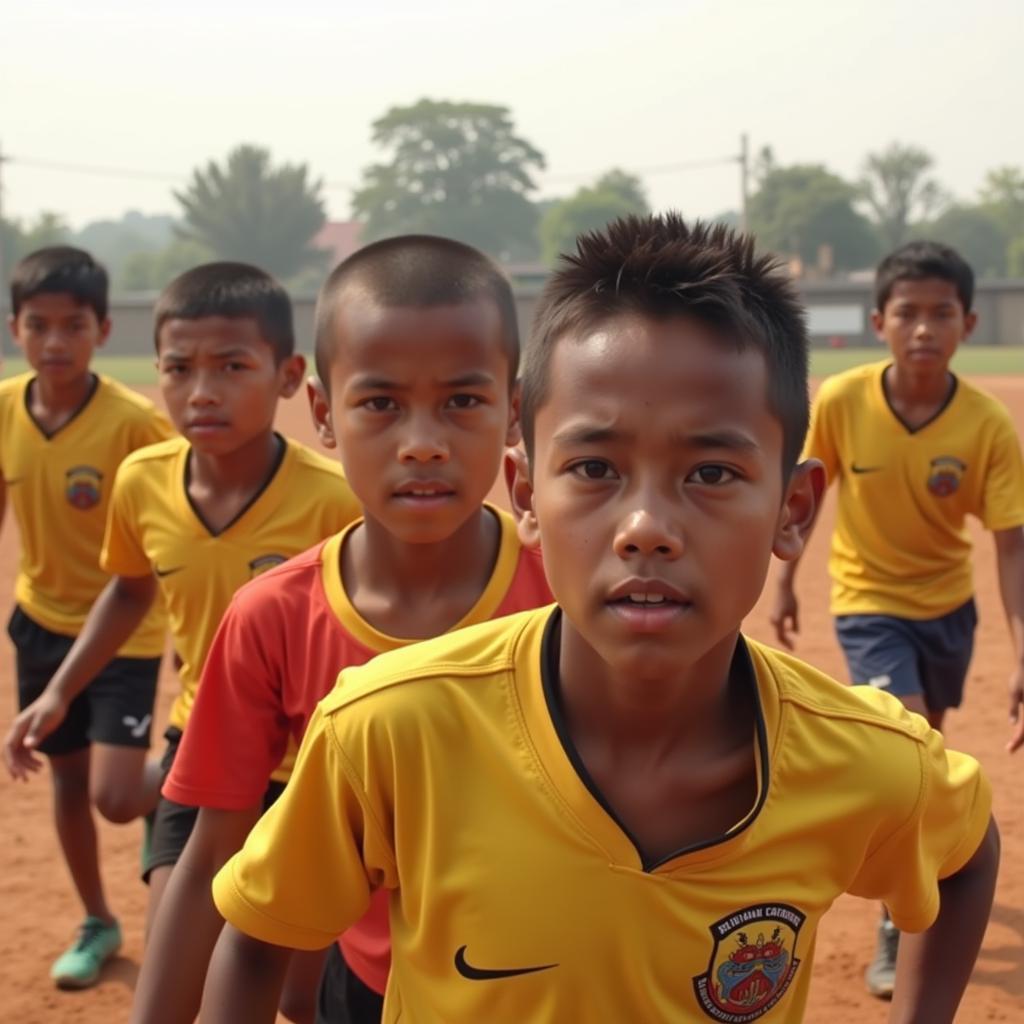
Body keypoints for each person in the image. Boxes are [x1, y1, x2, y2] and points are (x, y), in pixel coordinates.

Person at [200, 215, 999, 1024]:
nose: (645, 525)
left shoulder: (863, 760)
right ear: (525, 496)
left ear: (793, 511)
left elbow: (966, 853)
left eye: (712, 471)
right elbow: (258, 937)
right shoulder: (389, 727)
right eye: (593, 468)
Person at [131, 235, 552, 1024]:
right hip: (365, 994)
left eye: (462, 400)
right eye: (381, 403)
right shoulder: (273, 618)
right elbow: (212, 859)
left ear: (513, 410)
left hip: (551, 987)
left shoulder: (570, 593)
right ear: (324, 413)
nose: (422, 441)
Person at [4, 262, 361, 965]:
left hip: (314, 768)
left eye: (232, 366)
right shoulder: (142, 482)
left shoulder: (337, 502)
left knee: (294, 990)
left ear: (288, 376)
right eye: (179, 369)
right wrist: (59, 691)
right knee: (177, 963)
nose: (202, 393)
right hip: (203, 747)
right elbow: (132, 591)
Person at [770, 239, 1024, 999]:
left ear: (967, 323)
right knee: (905, 735)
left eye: (940, 313)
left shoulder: (985, 427)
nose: (923, 328)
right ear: (879, 320)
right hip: (867, 605)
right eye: (907, 312)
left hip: (949, 609)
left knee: (930, 743)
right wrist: (783, 584)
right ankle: (898, 917)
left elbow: (1011, 546)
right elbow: (804, 497)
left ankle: (920, 872)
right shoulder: (844, 401)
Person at [1, 246, 173, 989]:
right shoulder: (6, 406)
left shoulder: (136, 424)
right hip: (40, 622)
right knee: (67, 782)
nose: (54, 342)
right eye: (38, 326)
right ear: (15, 329)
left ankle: (164, 792)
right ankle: (98, 920)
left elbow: (179, 521)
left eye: (73, 326)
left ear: (103, 329)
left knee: (114, 796)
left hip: (124, 631)